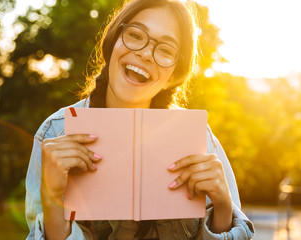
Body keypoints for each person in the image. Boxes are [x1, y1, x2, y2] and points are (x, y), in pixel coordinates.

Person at [25, 0, 255, 239]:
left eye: (166, 50)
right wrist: (52, 200)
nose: (145, 54)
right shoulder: (56, 132)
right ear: (113, 41)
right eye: (135, 35)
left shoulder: (199, 139)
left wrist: (223, 209)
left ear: (173, 75)